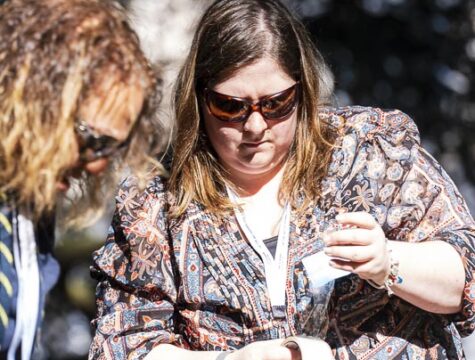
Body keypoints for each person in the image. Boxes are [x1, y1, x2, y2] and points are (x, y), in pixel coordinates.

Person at [89, 0, 475, 359]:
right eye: (230, 106)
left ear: (301, 92)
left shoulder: (369, 152)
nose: (255, 126)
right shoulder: (158, 202)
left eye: (275, 104)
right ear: (199, 100)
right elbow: (124, 346)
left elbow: (465, 274)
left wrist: (387, 261)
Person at [0, 0, 165, 358]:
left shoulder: (27, 208)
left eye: (111, 150)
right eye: (94, 141)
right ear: (33, 96)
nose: (97, 167)